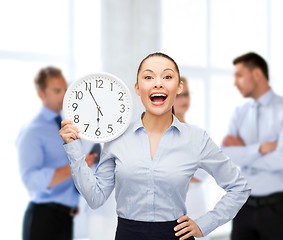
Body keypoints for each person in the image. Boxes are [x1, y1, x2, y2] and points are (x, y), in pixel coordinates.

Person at [60, 52, 251, 240]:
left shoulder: (196, 138)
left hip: (176, 235)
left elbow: (239, 187)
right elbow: (95, 198)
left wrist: (204, 224)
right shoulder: (117, 139)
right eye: (148, 76)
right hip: (128, 235)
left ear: (178, 87)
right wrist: (73, 147)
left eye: (167, 76)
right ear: (137, 87)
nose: (158, 83)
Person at [221, 52, 283, 240]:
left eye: (239, 75)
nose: (235, 82)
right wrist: (259, 149)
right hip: (243, 207)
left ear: (257, 74)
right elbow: (226, 156)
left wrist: (244, 153)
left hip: (276, 209)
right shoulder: (239, 113)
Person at [16, 66, 95, 240]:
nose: (64, 95)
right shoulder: (33, 131)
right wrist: (77, 165)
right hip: (43, 219)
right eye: (57, 91)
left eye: (65, 89)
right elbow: (31, 181)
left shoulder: (68, 124)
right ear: (41, 95)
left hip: (66, 219)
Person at [174, 77, 210, 240]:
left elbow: (205, 172)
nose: (184, 100)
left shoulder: (197, 134)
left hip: (196, 203)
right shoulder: (156, 135)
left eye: (186, 94)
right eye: (178, 95)